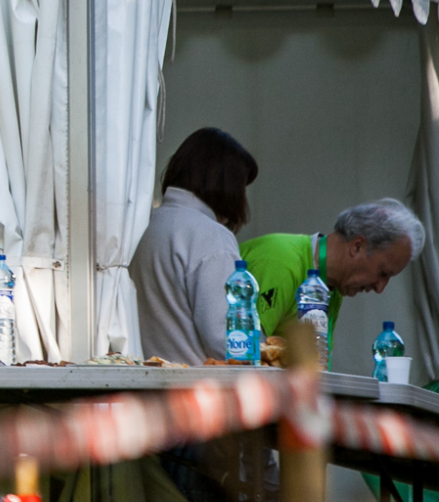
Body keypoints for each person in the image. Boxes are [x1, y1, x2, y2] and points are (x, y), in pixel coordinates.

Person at [131, 128, 259, 364]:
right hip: (194, 390)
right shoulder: (211, 236)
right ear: (228, 186)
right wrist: (269, 350)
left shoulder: (142, 224)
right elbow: (226, 340)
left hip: (140, 383)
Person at [242, 199, 426, 353]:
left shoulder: (331, 285)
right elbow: (248, 357)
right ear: (357, 246)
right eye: (383, 273)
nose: (380, 288)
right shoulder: (281, 263)